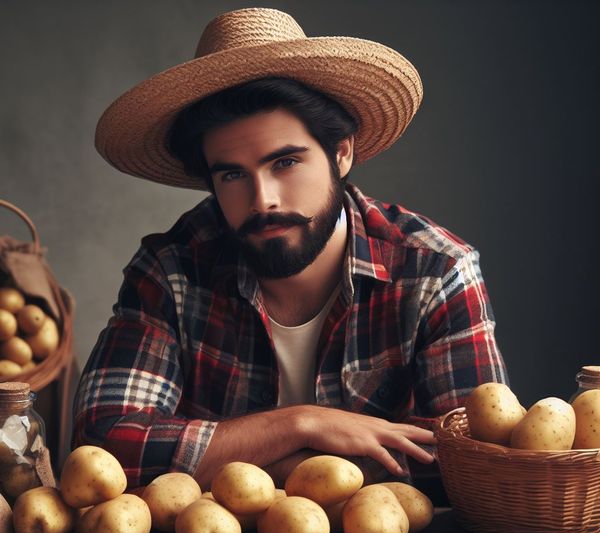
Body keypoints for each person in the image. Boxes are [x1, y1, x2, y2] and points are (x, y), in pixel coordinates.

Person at [73, 7, 508, 498]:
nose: (264, 201)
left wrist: (246, 463)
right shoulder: (171, 270)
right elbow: (104, 444)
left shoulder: (434, 270)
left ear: (341, 152)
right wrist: (301, 424)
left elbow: (481, 457)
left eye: (285, 162)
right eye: (232, 174)